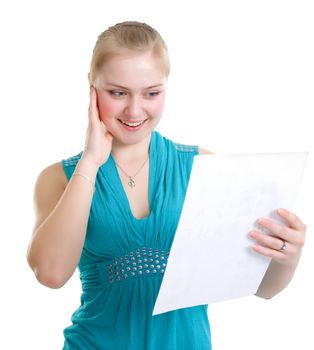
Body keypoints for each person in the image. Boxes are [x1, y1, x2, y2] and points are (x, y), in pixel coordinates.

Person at [26, 21, 307, 350]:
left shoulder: (204, 168)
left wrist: (288, 256)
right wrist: (90, 162)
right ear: (92, 87)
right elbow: (51, 273)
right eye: (118, 92)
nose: (134, 110)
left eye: (152, 93)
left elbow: (263, 288)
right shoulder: (59, 178)